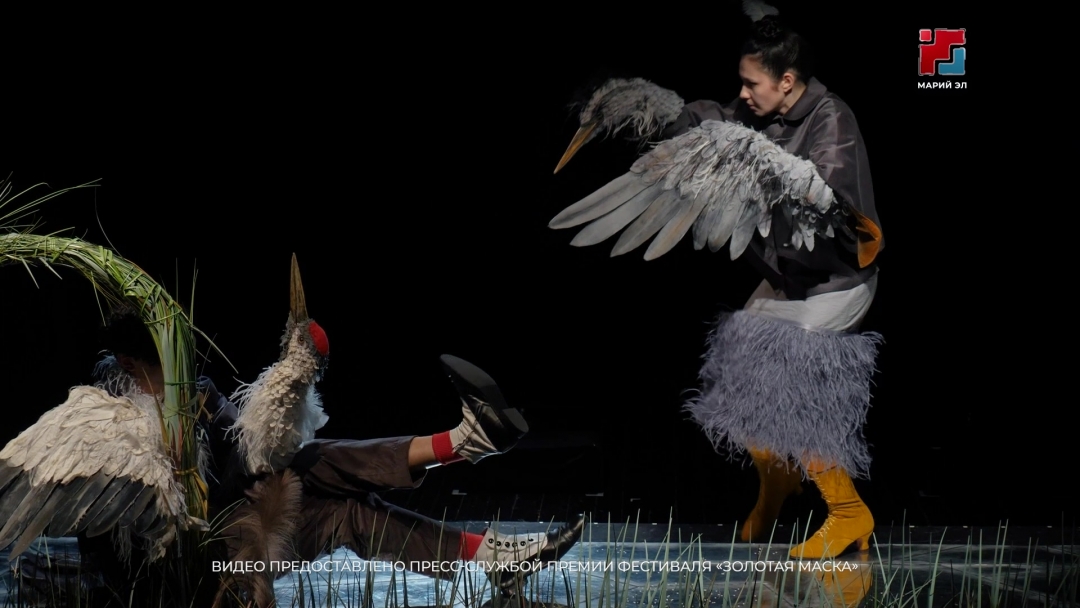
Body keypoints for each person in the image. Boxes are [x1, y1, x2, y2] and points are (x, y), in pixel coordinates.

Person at [76, 307, 585, 607]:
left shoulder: (198, 391)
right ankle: (464, 442)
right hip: (185, 574)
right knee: (307, 468)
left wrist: (289, 384)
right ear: (127, 362)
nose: (182, 371)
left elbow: (256, 448)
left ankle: (495, 555)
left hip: (248, 540)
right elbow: (103, 529)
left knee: (340, 502)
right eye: (167, 362)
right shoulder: (100, 416)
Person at [665, 16, 884, 559]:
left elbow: (827, 199)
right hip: (786, 279)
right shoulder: (755, 110)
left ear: (787, 81)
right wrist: (659, 116)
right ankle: (779, 483)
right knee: (742, 376)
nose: (742, 94)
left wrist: (767, 171)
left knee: (790, 388)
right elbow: (711, 119)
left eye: (752, 83)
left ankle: (849, 512)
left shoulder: (834, 121)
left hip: (836, 281)